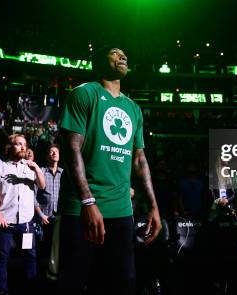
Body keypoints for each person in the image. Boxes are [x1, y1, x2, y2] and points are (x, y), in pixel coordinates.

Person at [57, 46, 161, 294]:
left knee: (121, 284)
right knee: (75, 283)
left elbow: (140, 161)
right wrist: (88, 202)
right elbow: (72, 150)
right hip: (82, 210)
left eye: (125, 54)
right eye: (115, 53)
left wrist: (153, 206)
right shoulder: (83, 94)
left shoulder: (134, 109)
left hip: (121, 211)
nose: (123, 57)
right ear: (98, 61)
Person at [0, 133, 46, 294]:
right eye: (18, 144)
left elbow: (42, 185)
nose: (22, 147)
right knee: (2, 257)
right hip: (5, 221)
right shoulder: (1, 167)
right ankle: (1, 289)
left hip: (26, 223)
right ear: (10, 147)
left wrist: (35, 167)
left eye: (24, 144)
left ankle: (30, 287)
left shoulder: (30, 167)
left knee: (30, 255)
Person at [34, 144, 63, 277]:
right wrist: (40, 214)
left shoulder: (63, 173)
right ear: (47, 156)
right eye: (51, 152)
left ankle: (53, 274)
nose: (54, 153)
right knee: (43, 250)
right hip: (44, 218)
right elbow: (33, 196)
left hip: (59, 218)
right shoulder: (41, 172)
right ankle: (40, 277)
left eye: (56, 151)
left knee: (57, 250)